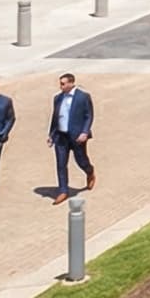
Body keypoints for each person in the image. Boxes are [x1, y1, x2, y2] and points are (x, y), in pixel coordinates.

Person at [48, 72, 96, 202]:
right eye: (60, 83)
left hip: (77, 136)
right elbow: (55, 117)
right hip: (61, 136)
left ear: (71, 83)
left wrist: (85, 132)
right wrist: (51, 134)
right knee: (61, 164)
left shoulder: (83, 97)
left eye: (63, 84)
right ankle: (63, 190)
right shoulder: (57, 98)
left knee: (81, 160)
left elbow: (89, 116)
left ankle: (90, 171)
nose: (61, 86)